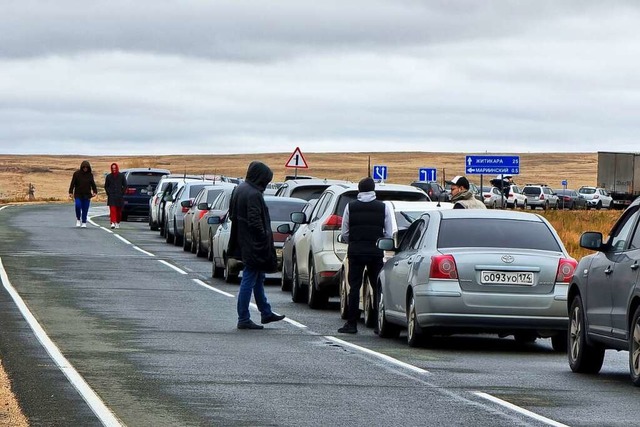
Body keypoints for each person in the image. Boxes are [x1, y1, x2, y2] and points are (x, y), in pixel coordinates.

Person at [228, 161, 285, 330]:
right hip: (254, 245)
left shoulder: (240, 189)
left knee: (258, 278)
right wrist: (263, 237)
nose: (266, 185)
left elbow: (232, 215)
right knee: (249, 278)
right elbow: (255, 221)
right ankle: (243, 317)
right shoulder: (253, 194)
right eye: (265, 181)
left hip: (244, 242)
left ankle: (265, 312)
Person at [338, 176, 395, 334]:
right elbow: (389, 233)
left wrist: (354, 241)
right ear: (373, 190)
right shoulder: (383, 207)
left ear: (359, 190)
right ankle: (378, 324)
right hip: (375, 251)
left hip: (355, 251)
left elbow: (345, 232)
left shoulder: (351, 207)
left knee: (354, 287)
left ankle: (352, 324)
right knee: (376, 287)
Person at [68, 160, 98, 228]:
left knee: (85, 209)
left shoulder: (90, 175)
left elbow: (93, 184)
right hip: (78, 194)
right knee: (78, 206)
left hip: (87, 195)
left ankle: (84, 222)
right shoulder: (76, 174)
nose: (85, 168)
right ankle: (78, 219)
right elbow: (72, 183)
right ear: (81, 167)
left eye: (86, 167)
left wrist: (95, 191)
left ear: (88, 168)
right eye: (84, 167)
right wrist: (70, 192)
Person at [104, 162, 127, 229]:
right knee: (112, 210)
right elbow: (106, 186)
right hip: (112, 196)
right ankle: (113, 222)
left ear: (117, 168)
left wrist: (122, 193)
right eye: (112, 168)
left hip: (119, 196)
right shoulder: (108, 176)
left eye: (115, 168)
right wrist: (108, 193)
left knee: (119, 211)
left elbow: (125, 185)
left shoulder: (121, 176)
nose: (114, 169)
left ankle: (117, 222)